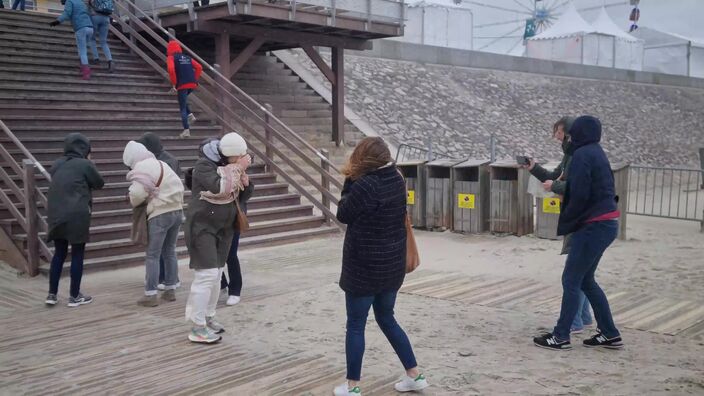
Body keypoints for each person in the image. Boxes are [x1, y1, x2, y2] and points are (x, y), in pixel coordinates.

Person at [333, 137, 429, 396]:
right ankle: (414, 374)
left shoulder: (364, 184)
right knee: (387, 318)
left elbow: (343, 213)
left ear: (362, 159)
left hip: (363, 267)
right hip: (391, 265)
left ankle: (353, 386)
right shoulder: (397, 178)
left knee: (355, 324)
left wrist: (350, 180)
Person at [533, 115, 624, 351]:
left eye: (571, 134)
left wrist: (569, 222)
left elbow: (580, 193)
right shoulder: (596, 151)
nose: (569, 138)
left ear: (578, 134)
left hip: (593, 225)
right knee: (586, 280)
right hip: (607, 223)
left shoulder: (583, 155)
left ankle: (561, 336)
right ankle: (610, 333)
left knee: (571, 279)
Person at [525, 116, 593, 334]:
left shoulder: (579, 156)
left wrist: (555, 185)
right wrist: (533, 167)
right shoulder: (569, 154)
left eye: (559, 132)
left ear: (571, 133)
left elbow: (578, 186)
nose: (556, 136)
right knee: (584, 271)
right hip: (579, 217)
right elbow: (555, 176)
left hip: (582, 217)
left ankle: (574, 321)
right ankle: (583, 316)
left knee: (575, 273)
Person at [184, 133, 251, 344]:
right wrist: (239, 169)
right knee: (206, 275)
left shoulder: (230, 168)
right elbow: (219, 187)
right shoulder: (204, 166)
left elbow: (240, 196)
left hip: (224, 229)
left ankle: (208, 316)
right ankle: (196, 326)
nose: (241, 159)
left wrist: (245, 182)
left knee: (217, 274)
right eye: (238, 156)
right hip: (203, 227)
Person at [45, 133, 104, 307]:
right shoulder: (85, 164)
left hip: (56, 214)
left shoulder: (57, 164)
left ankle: (52, 294)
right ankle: (74, 296)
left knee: (59, 253)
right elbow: (99, 183)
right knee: (77, 254)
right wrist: (90, 162)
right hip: (78, 214)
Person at [123, 141, 184, 307]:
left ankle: (150, 294)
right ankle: (170, 290)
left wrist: (138, 199)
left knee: (153, 255)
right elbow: (178, 183)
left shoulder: (142, 168)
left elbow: (136, 194)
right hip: (177, 211)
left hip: (159, 213)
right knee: (170, 251)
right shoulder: (161, 163)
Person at [136, 132, 183, 291]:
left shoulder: (155, 162)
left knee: (155, 252)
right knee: (169, 249)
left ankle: (154, 285)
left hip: (159, 207)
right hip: (175, 207)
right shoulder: (172, 159)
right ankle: (172, 281)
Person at [220, 174, 254, 306]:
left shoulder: (238, 168)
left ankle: (235, 290)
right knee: (213, 254)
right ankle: (221, 284)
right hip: (212, 217)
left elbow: (245, 197)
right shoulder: (210, 167)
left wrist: (246, 185)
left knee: (231, 255)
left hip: (232, 218)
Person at [49, 0, 95, 80]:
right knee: (83, 49)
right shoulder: (81, 2)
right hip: (90, 28)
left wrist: (57, 21)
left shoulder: (69, 1)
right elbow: (89, 13)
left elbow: (67, 13)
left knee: (82, 51)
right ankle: (83, 66)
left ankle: (86, 72)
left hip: (81, 27)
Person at [166, 40, 202, 139]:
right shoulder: (187, 57)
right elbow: (199, 67)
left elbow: (171, 70)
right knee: (183, 100)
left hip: (182, 84)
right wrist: (195, 79)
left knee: (182, 107)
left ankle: (186, 130)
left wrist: (174, 83)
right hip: (192, 84)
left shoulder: (171, 58)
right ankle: (190, 115)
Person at [86, 0, 115, 73]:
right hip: (106, 18)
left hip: (96, 16)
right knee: (104, 41)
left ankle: (96, 58)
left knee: (92, 38)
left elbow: (90, 4)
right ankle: (110, 61)